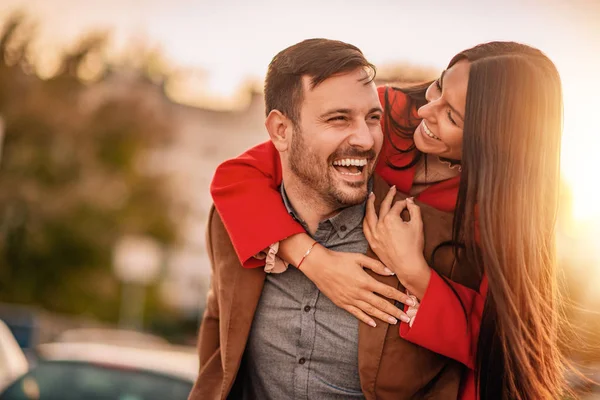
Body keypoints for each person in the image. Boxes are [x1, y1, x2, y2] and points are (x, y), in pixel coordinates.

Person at [208, 41, 566, 399]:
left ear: (495, 141)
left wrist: (415, 273)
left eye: (452, 117)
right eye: (439, 86)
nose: (427, 110)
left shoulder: (502, 215)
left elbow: (503, 348)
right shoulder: (385, 116)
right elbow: (237, 177)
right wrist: (315, 261)